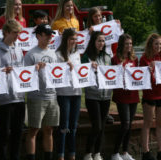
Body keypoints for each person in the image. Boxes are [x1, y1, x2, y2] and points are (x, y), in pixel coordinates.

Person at [0, 19, 25, 160]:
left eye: (19, 33)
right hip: (4, 99)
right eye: (15, 33)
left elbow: (22, 72)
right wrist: (2, 72)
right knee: (4, 134)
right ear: (6, 32)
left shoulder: (19, 49)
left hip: (19, 97)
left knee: (18, 133)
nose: (17, 36)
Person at [24, 24, 60, 160]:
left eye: (51, 34)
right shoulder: (31, 54)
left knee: (49, 129)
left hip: (52, 96)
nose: (50, 36)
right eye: (47, 34)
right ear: (38, 36)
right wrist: (35, 69)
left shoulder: (53, 53)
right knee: (33, 130)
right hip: (37, 97)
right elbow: (24, 77)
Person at [81, 31, 112, 160]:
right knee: (97, 126)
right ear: (93, 42)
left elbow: (110, 74)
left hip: (106, 96)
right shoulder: (86, 56)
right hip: (92, 95)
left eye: (103, 41)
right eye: (99, 40)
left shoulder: (107, 56)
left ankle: (97, 153)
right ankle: (88, 154)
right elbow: (80, 72)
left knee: (102, 127)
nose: (101, 43)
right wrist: (89, 66)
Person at [111, 34, 139, 160]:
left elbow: (138, 75)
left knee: (130, 124)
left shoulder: (134, 59)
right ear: (121, 45)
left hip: (133, 94)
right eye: (127, 43)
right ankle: (115, 153)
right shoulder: (115, 59)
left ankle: (125, 152)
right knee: (125, 124)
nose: (129, 46)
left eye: (131, 44)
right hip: (121, 95)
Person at [55, 28, 82, 160]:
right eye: (72, 39)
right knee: (64, 127)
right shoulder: (58, 54)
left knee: (73, 126)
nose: (74, 42)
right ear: (65, 40)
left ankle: (72, 154)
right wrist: (65, 67)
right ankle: (60, 155)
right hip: (63, 93)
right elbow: (55, 74)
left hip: (76, 93)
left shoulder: (77, 53)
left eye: (76, 39)